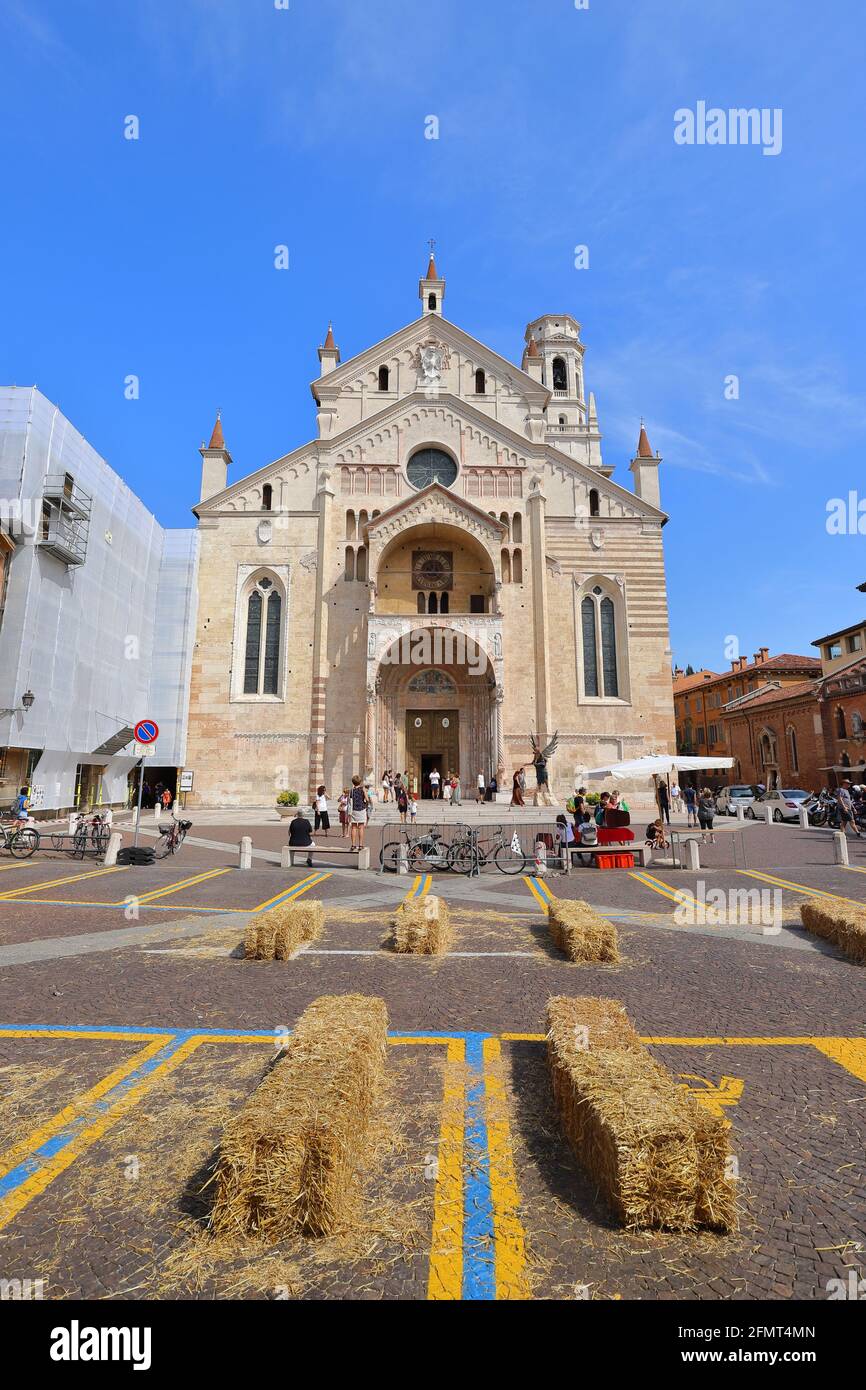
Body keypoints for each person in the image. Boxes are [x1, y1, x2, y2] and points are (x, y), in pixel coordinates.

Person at [348, 774, 371, 850]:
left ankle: (353, 845)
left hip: (354, 810)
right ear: (360, 782)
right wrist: (366, 804)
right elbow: (367, 799)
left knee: (353, 827)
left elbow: (349, 801)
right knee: (361, 827)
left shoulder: (351, 790)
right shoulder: (362, 789)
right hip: (361, 809)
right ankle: (360, 845)